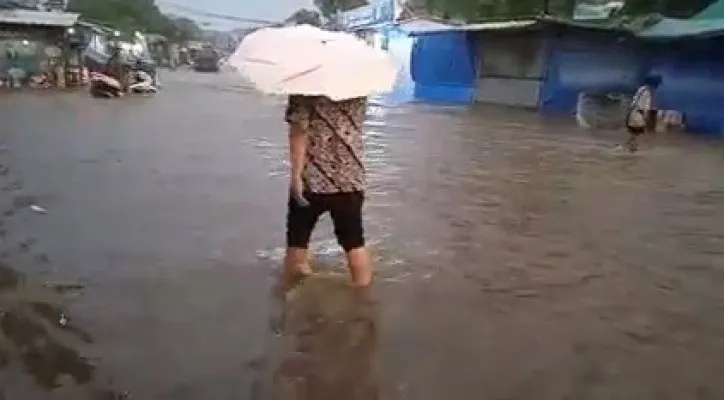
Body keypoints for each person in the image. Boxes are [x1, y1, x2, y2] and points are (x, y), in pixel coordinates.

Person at [283, 95, 374, 287]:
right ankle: (363, 301)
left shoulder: (304, 89)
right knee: (354, 243)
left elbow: (299, 132)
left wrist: (296, 177)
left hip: (313, 179)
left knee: (297, 245)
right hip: (350, 178)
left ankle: (294, 300)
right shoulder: (358, 87)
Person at [623, 74, 661, 152]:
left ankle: (628, 149)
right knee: (636, 135)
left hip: (632, 113)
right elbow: (645, 108)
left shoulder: (641, 89)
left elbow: (635, 102)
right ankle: (630, 150)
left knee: (634, 135)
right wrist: (647, 119)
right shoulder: (647, 93)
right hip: (637, 115)